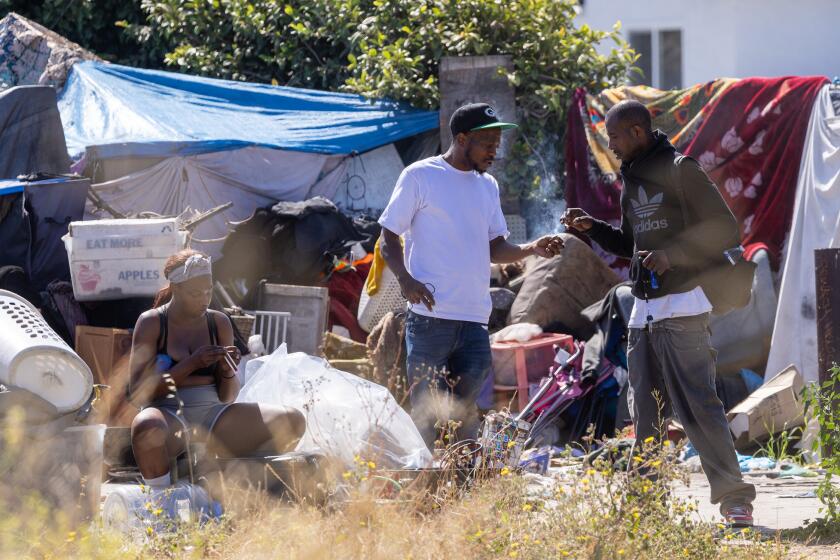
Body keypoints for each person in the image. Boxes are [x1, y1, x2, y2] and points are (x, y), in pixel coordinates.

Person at [562, 100, 756, 527]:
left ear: (636, 132)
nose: (610, 146)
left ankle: (734, 500)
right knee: (645, 415)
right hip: (642, 313)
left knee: (699, 407)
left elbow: (726, 228)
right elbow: (628, 244)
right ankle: (646, 505)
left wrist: (674, 255)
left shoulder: (681, 169)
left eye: (614, 137)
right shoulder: (631, 180)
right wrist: (591, 227)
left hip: (685, 306)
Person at [379, 102, 564, 447]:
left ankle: (462, 488)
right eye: (487, 142)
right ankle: (423, 492)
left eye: (497, 142)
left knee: (466, 419)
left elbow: (496, 248)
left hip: (474, 321)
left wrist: (532, 248)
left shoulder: (488, 186)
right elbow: (388, 235)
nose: (495, 149)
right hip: (430, 319)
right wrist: (405, 280)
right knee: (425, 416)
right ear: (462, 139)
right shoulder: (420, 176)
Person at [128, 249, 305, 490]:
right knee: (145, 427)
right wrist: (191, 364)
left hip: (214, 416)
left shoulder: (218, 322)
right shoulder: (151, 322)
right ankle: (161, 499)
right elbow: (138, 393)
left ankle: (233, 482)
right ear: (176, 287)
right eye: (194, 293)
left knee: (292, 420)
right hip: (167, 416)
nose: (204, 299)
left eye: (208, 290)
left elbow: (227, 397)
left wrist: (227, 370)